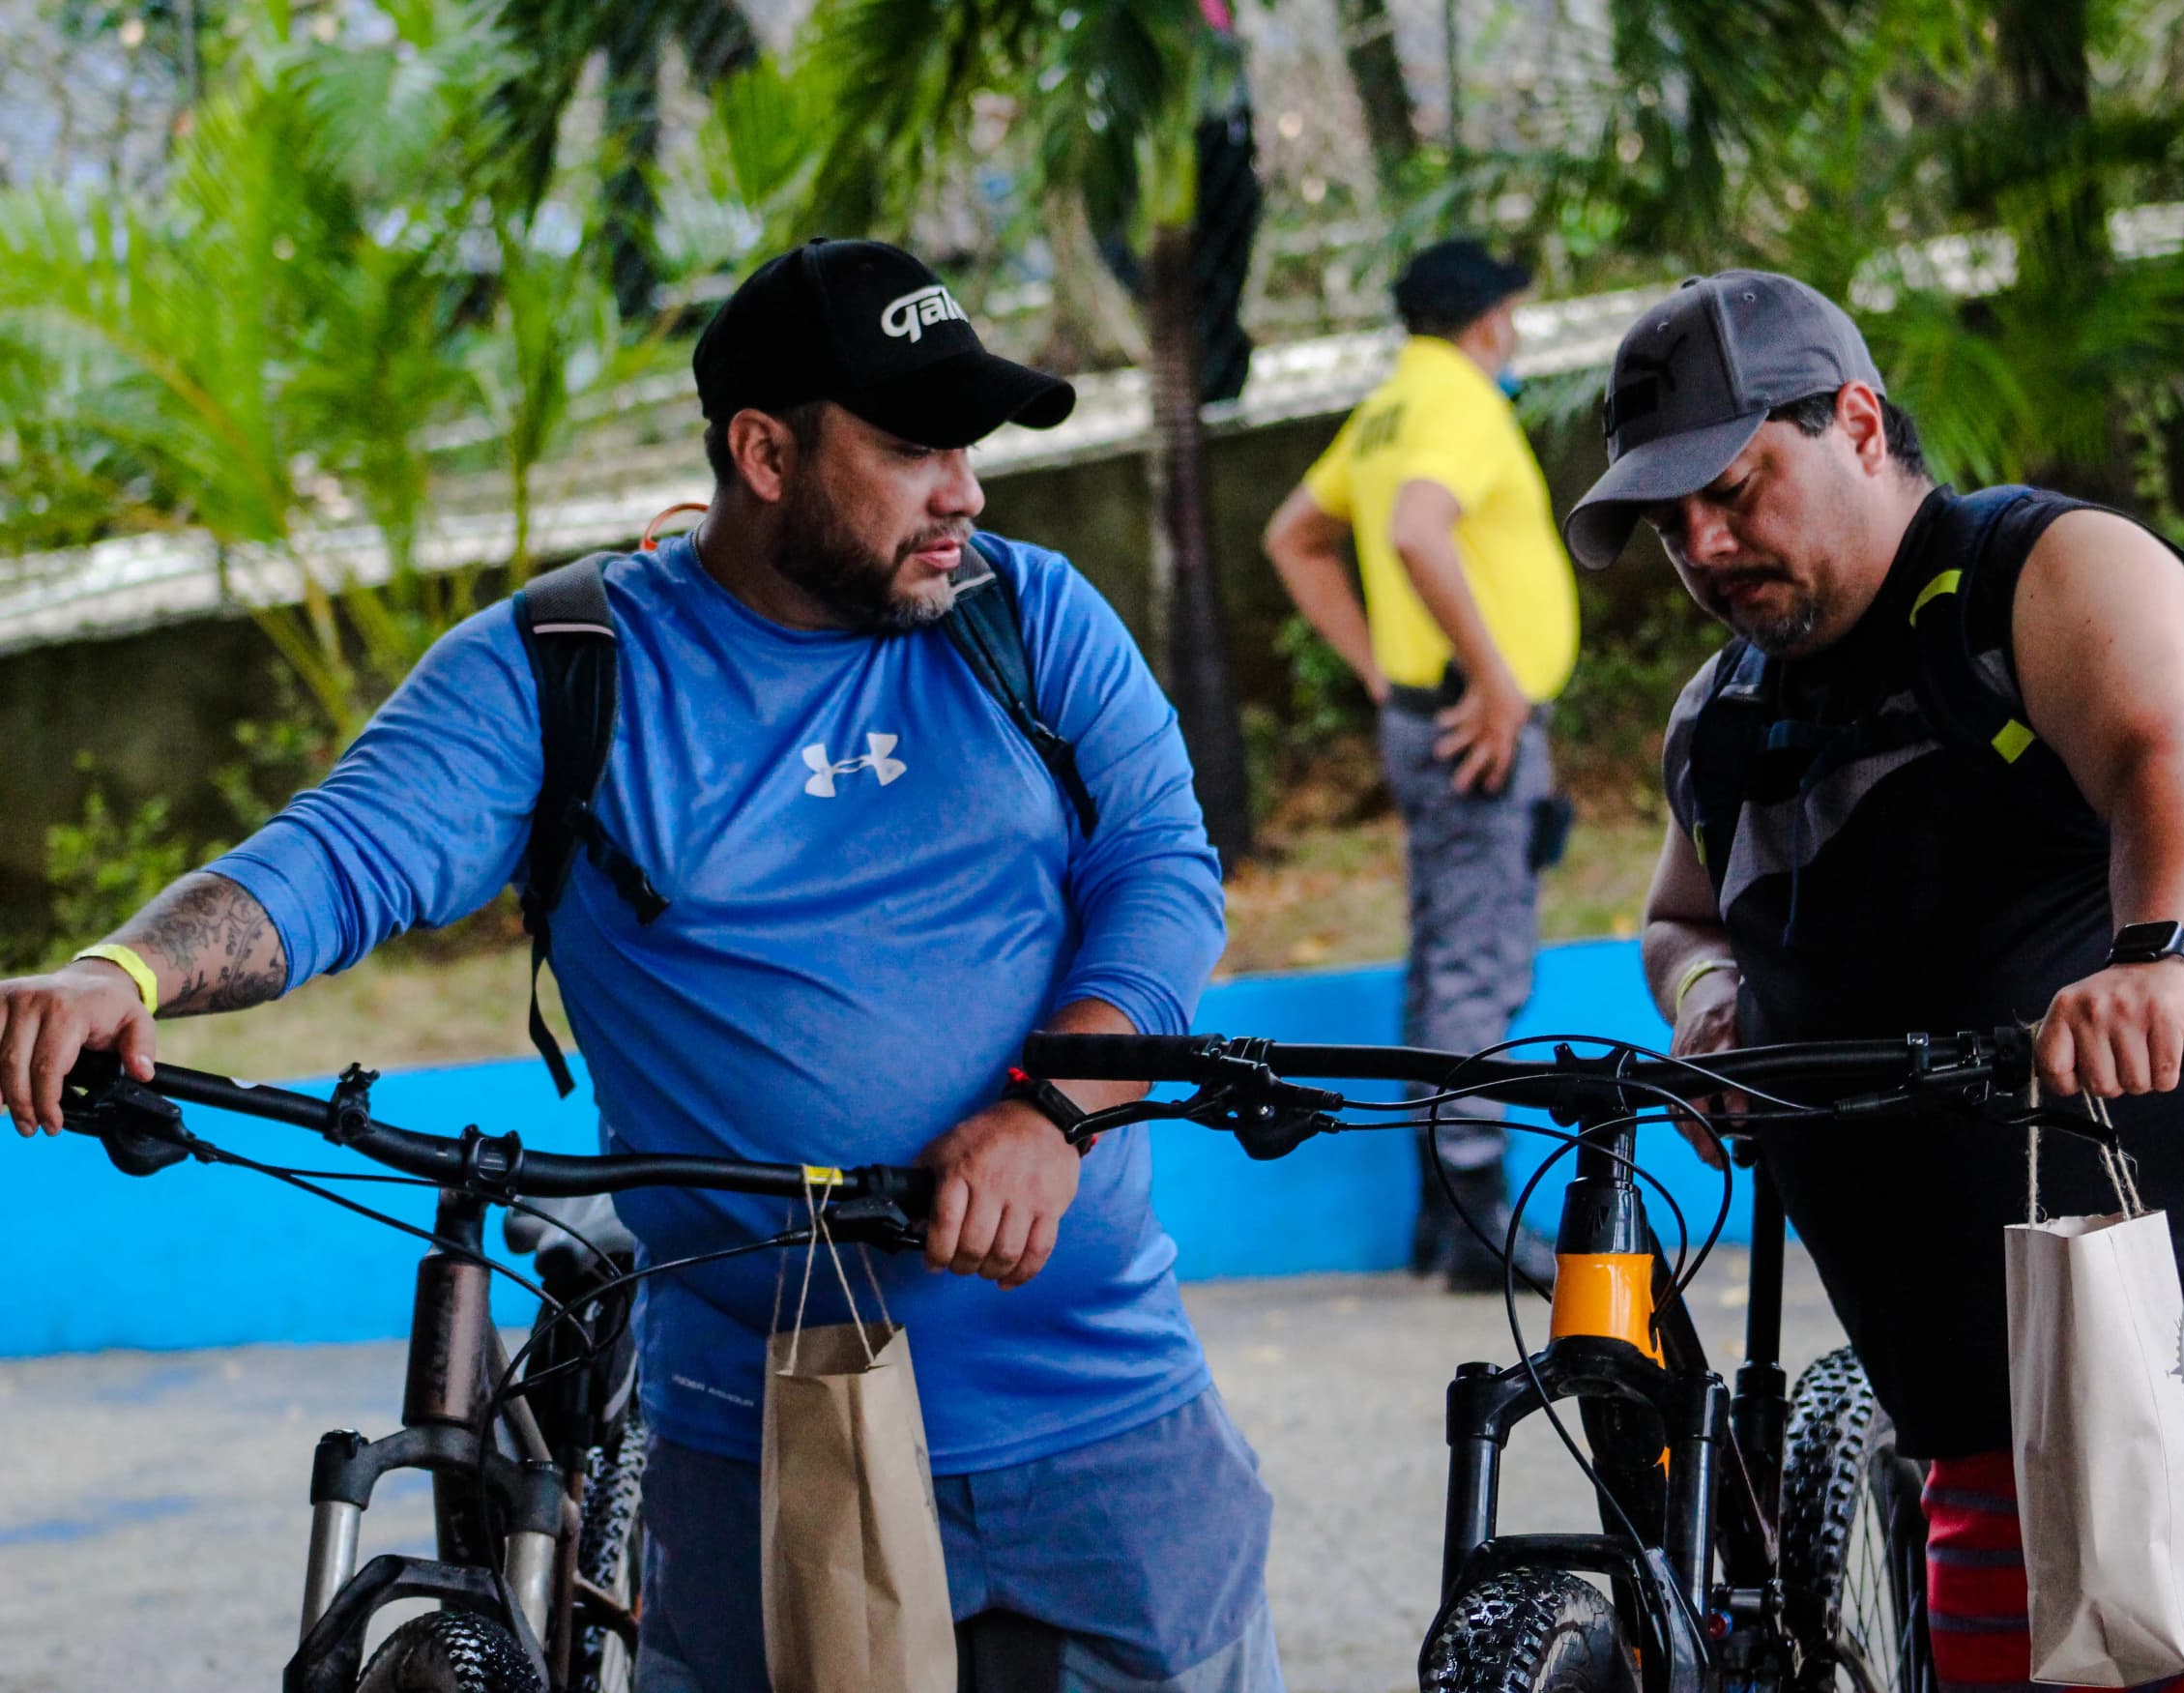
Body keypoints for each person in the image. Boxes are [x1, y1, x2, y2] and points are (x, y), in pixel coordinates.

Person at [1, 239, 1284, 1692]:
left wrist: (1052, 1104)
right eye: (917, 446)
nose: (965, 491)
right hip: (763, 1445)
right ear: (765, 452)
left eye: (969, 447)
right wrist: (129, 970)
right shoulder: (564, 670)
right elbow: (338, 855)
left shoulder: (1027, 616)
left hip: (1102, 1409)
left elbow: (1160, 868)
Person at [1567, 269, 2184, 1688]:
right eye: (1668, 521)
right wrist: (1706, 1002)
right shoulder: (1723, 717)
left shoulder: (2044, 571)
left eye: (1734, 488)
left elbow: (2168, 766)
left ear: (1857, 423)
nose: (1703, 542)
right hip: (1987, 1414)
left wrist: (2157, 961)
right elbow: (1683, 915)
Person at [1261, 239, 1580, 1293]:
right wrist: (1492, 679)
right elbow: (1413, 530)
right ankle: (1479, 1222)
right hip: (1470, 726)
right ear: (1489, 318)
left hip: (1428, 716)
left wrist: (1384, 673)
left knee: (1446, 948)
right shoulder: (1460, 405)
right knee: (1476, 962)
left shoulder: (1390, 408)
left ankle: (1442, 1216)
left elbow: (1294, 534)